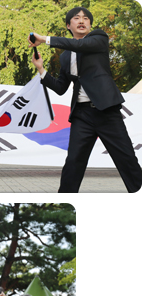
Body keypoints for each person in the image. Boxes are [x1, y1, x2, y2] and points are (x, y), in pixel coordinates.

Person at [29, 6, 142, 193]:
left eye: (85, 18)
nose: (82, 21)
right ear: (68, 25)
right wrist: (41, 70)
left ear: (90, 25)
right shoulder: (65, 57)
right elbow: (60, 88)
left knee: (126, 159)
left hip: (106, 110)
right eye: (76, 18)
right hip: (82, 115)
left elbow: (80, 46)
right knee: (73, 162)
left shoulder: (99, 38)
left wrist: (45, 40)